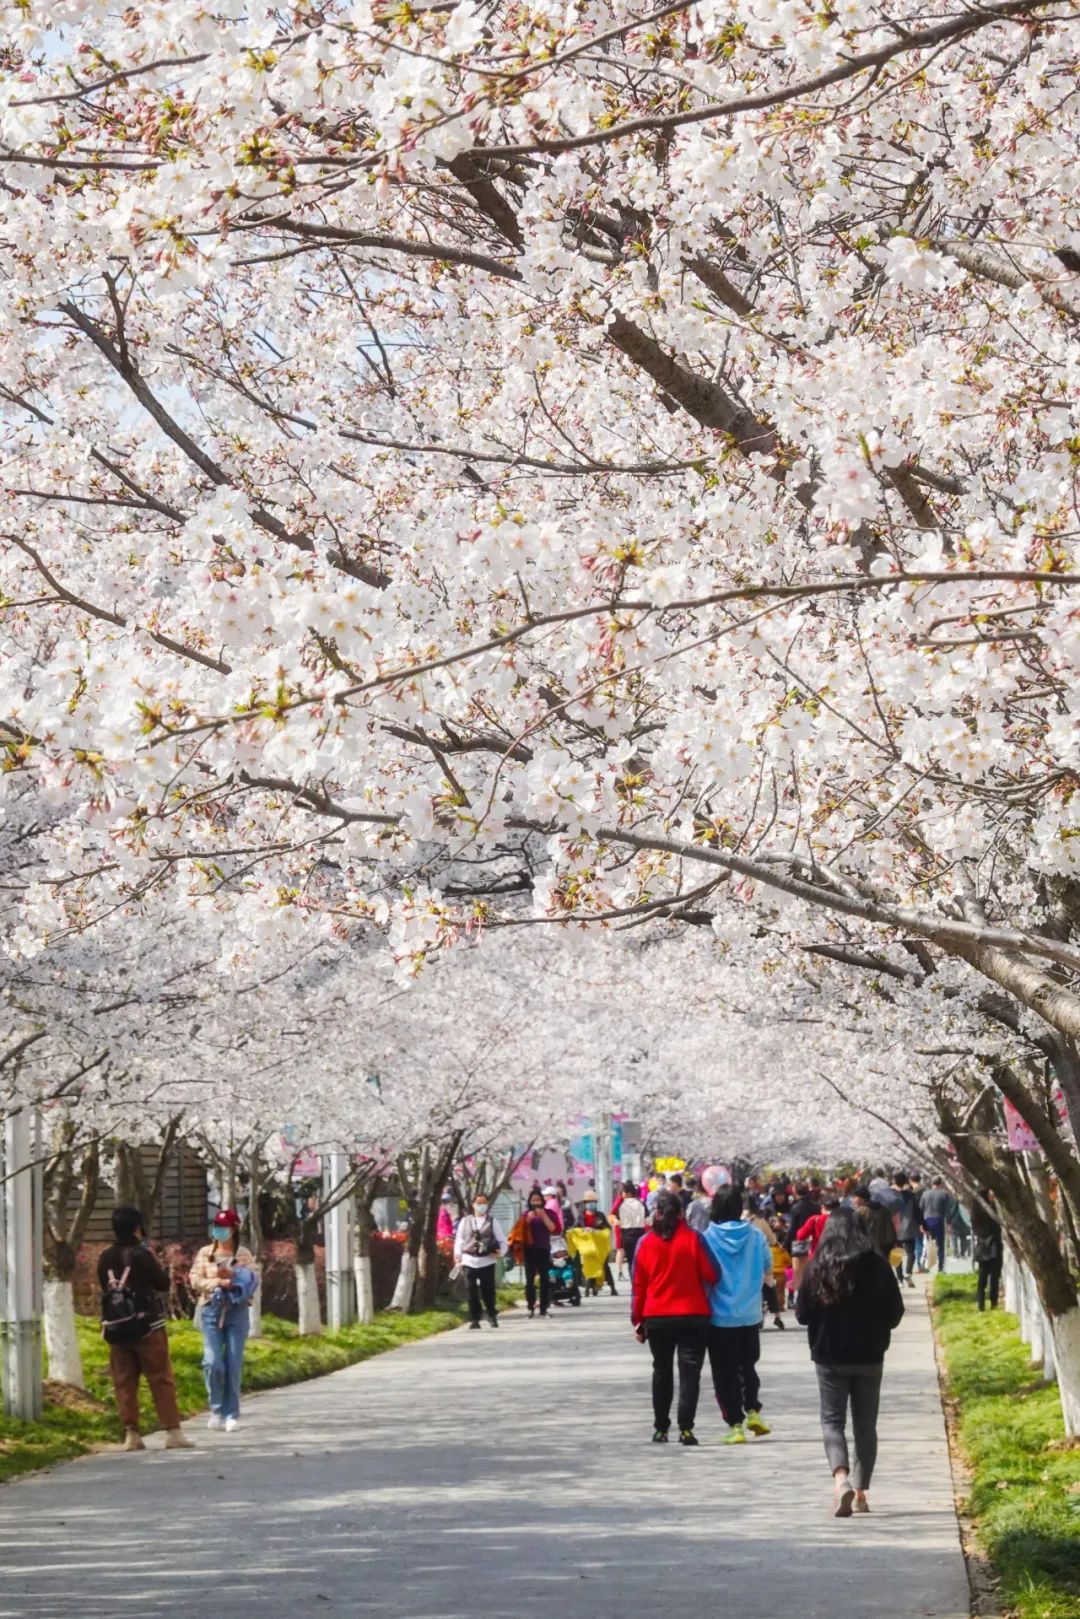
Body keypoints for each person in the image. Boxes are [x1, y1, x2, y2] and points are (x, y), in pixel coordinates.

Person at [796, 1206, 905, 1516]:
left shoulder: (818, 1266)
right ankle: (860, 1493)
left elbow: (802, 1314)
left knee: (832, 1421)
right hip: (869, 1355)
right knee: (865, 1425)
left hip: (829, 1356)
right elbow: (895, 1314)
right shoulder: (878, 1266)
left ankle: (840, 1480)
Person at [98, 1206, 193, 1453]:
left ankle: (132, 1435)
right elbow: (162, 1283)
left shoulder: (105, 1257)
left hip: (117, 1328)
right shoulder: (142, 1255)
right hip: (147, 1326)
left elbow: (104, 1287)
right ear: (137, 1228)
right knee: (160, 1377)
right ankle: (172, 1432)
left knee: (123, 1381)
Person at [631, 1190, 718, 1445]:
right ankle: (686, 1428)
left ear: (656, 1213)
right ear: (682, 1213)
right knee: (690, 1372)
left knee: (662, 1371)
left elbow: (639, 1286)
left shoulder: (645, 1243)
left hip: (657, 1316)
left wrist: (638, 1320)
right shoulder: (694, 1239)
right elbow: (712, 1273)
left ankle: (661, 1428)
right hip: (693, 1314)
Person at [702, 1186, 774, 1442]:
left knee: (724, 1373)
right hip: (750, 1314)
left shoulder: (708, 1238)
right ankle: (753, 1409)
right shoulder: (755, 1236)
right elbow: (768, 1267)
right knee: (748, 1366)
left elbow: (702, 1274)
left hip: (718, 1316)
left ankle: (735, 1425)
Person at [189, 1208, 260, 1432]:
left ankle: (231, 1413)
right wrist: (215, 1283)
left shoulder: (244, 1255)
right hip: (211, 1309)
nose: (219, 1231)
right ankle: (215, 1409)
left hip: (236, 1313)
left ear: (234, 1229)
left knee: (233, 1362)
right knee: (213, 1362)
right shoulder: (204, 1253)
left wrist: (235, 1280)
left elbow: (253, 1281)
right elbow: (194, 1278)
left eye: (224, 1228)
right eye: (216, 1227)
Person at [454, 1191, 507, 1328]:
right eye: (479, 1203)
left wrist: (499, 1253)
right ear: (473, 1205)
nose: (481, 1206)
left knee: (488, 1290)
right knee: (470, 1289)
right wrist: (457, 1256)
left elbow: (502, 1241)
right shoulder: (465, 1221)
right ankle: (474, 1318)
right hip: (468, 1260)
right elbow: (459, 1240)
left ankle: (491, 1314)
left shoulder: (492, 1221)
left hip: (487, 1260)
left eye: (484, 1203)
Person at [746, 1196, 786, 1329]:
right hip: (760, 1259)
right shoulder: (760, 1220)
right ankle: (777, 1316)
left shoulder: (738, 1219)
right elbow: (772, 1239)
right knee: (769, 1288)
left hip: (744, 1262)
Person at [522, 1186, 557, 1317]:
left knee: (544, 1280)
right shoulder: (526, 1214)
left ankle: (544, 1308)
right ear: (529, 1202)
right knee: (529, 1280)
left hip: (543, 1249)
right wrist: (528, 1220)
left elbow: (553, 1228)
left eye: (538, 1200)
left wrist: (543, 1216)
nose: (536, 1202)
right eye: (533, 1200)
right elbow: (520, 1230)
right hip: (529, 1250)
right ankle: (530, 1306)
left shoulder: (549, 1213)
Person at [579, 1189, 618, 1295]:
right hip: (588, 1246)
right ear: (585, 1203)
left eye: (594, 1202)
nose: (591, 1204)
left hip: (600, 1247)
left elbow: (607, 1228)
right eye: (589, 1202)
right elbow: (576, 1228)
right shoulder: (581, 1216)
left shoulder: (600, 1215)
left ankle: (612, 1287)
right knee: (587, 1265)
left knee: (605, 1266)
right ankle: (588, 1284)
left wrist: (598, 1230)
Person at [971, 1190, 1004, 1311]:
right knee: (990, 1278)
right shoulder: (990, 1211)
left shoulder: (977, 1212)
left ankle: (982, 1304)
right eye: (990, 1195)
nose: (992, 1197)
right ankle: (992, 1303)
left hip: (984, 1249)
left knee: (984, 1279)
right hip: (991, 1248)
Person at [787, 1180, 820, 1298]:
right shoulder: (817, 1206)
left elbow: (792, 1229)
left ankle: (796, 1297)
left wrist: (786, 1244)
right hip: (814, 1241)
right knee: (812, 1270)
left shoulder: (796, 1208)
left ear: (795, 1192)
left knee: (797, 1272)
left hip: (799, 1241)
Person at [852, 1185, 897, 1264]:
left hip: (872, 1245)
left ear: (861, 1198)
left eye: (855, 1197)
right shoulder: (884, 1208)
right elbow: (891, 1225)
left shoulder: (860, 1211)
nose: (853, 1200)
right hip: (888, 1242)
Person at [891, 1172, 919, 1288]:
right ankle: (908, 1272)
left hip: (895, 1228)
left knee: (897, 1252)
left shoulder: (891, 1196)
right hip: (908, 1227)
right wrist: (923, 1225)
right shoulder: (911, 1195)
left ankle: (899, 1279)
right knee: (911, 1252)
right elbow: (918, 1212)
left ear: (894, 1181)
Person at [919, 1176, 952, 1272]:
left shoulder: (925, 1194)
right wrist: (949, 1223)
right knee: (940, 1245)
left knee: (928, 1243)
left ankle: (926, 1265)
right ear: (941, 1184)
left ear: (931, 1183)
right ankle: (940, 1267)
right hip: (939, 1220)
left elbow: (920, 1209)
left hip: (927, 1220)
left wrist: (921, 1224)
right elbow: (948, 1210)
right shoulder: (944, 1194)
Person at [616, 1179, 648, 1270]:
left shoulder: (623, 1205)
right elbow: (647, 1218)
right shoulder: (641, 1204)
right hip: (640, 1235)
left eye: (623, 1193)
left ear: (628, 1194)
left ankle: (634, 1281)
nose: (622, 1195)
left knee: (631, 1261)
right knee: (640, 1261)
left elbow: (619, 1220)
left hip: (627, 1236)